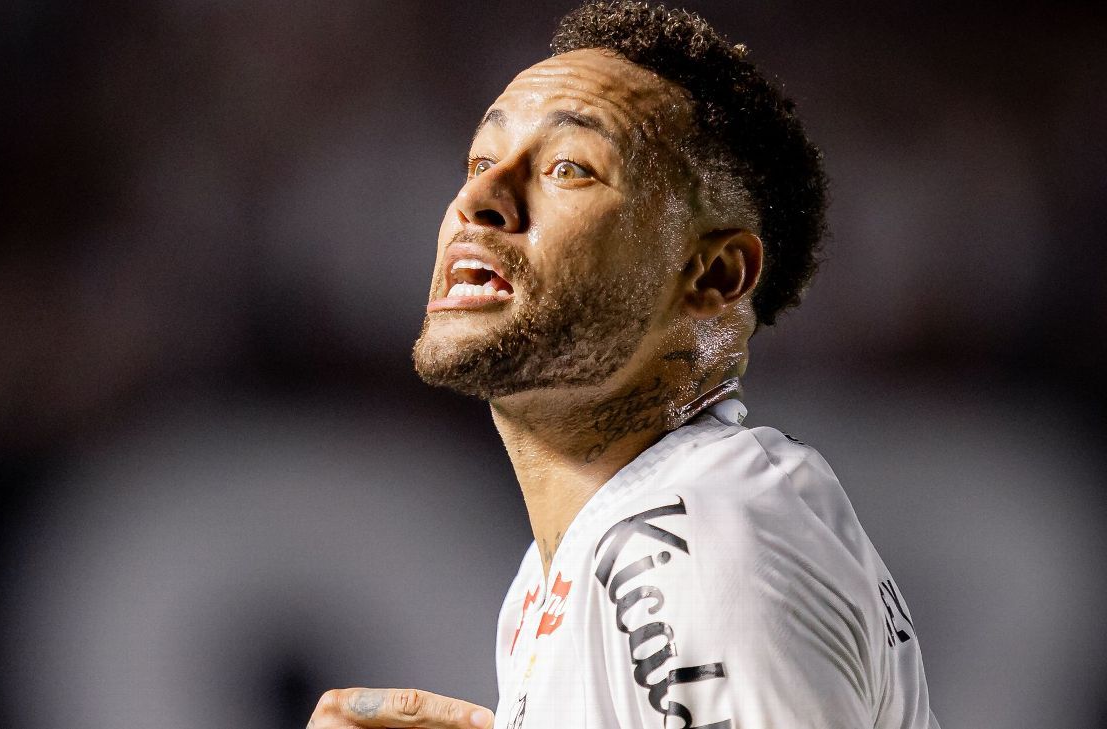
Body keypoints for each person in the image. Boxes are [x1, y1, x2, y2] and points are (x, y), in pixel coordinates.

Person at [307, 1, 938, 727]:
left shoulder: (690, 547)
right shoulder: (568, 569)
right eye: (480, 161)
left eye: (568, 168)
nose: (478, 199)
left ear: (714, 275)